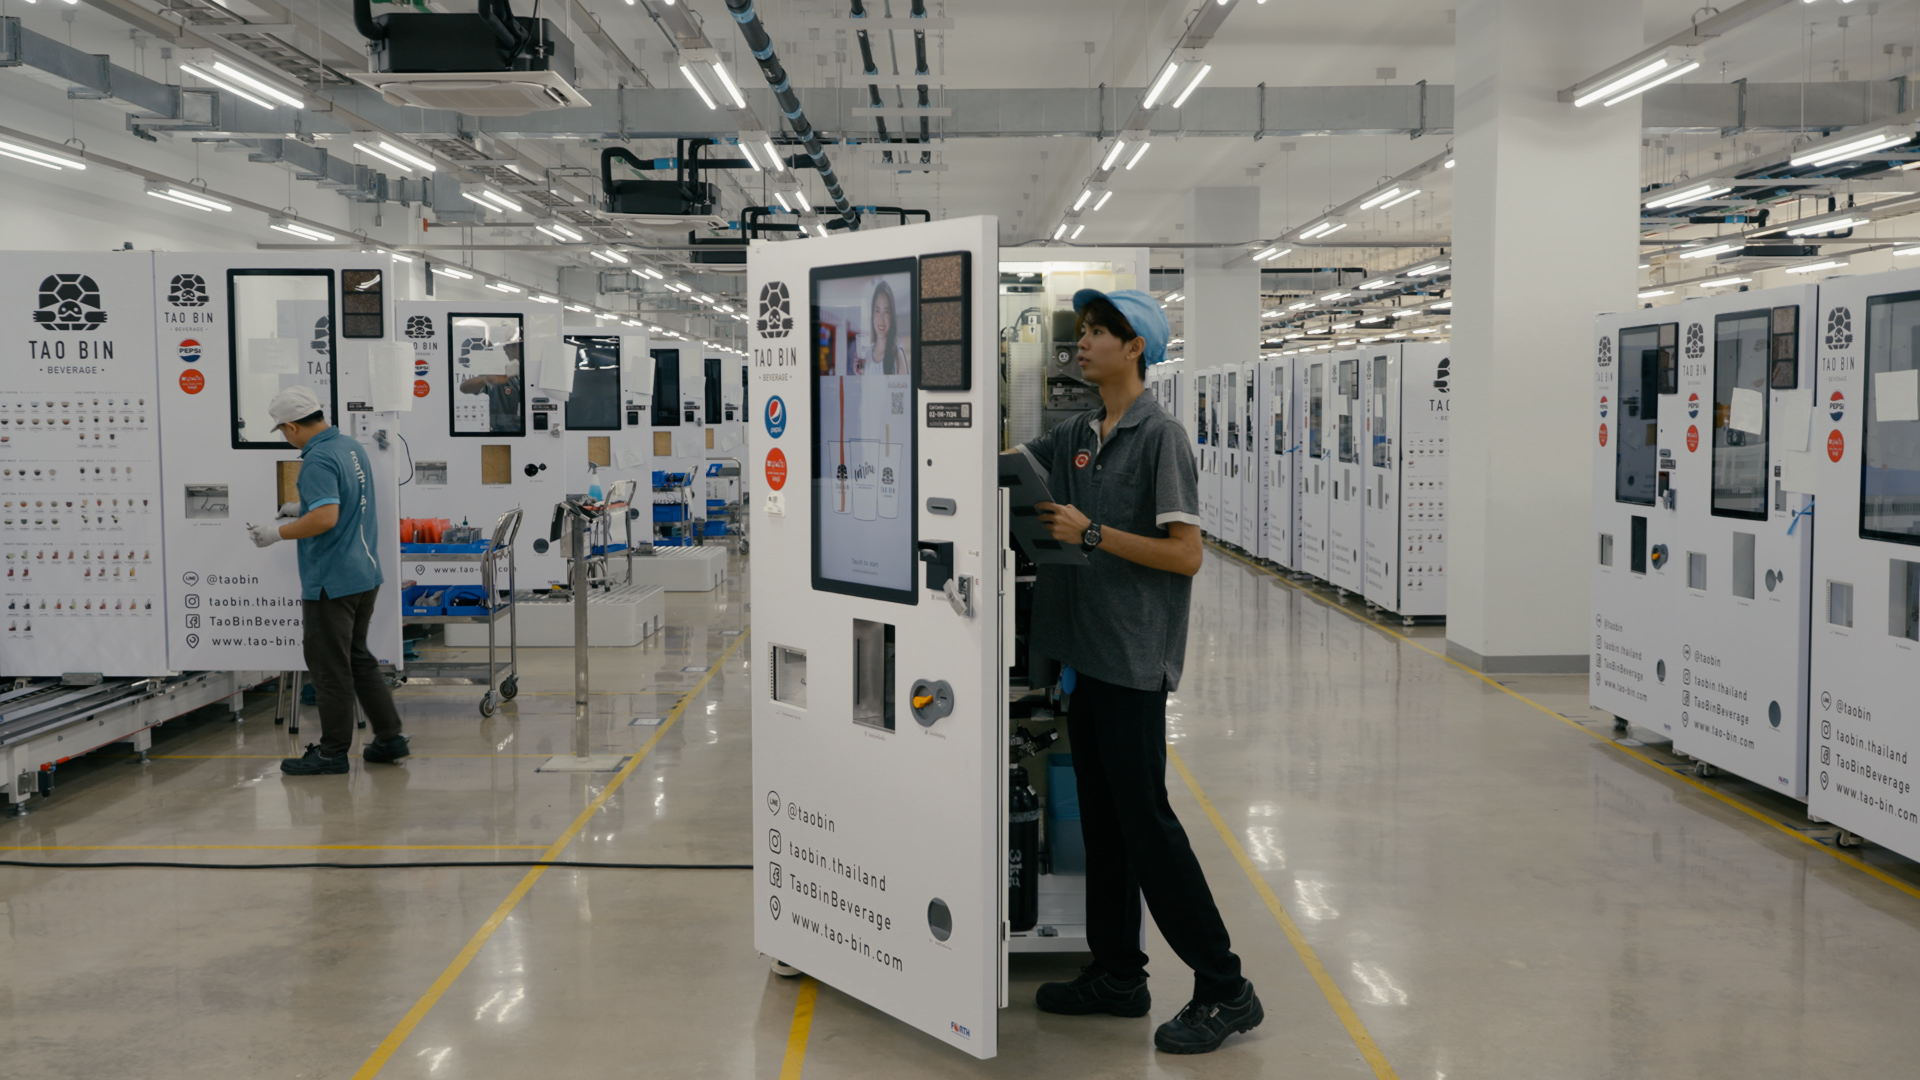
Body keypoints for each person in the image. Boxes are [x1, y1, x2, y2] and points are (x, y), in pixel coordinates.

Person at [1015, 289, 1263, 1055]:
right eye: (1081, 331)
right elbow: (1016, 469)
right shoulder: (1081, 432)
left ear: (1137, 349)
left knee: (1148, 827)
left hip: (1130, 659)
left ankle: (1226, 987)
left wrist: (1093, 535)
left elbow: (1186, 555)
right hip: (1084, 657)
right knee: (1104, 823)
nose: (1081, 344)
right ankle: (1119, 971)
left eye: (1098, 333)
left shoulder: (1163, 439)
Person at [247, 385, 410, 775]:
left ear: (290, 427)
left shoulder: (317, 459)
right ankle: (389, 738)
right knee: (358, 660)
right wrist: (302, 507)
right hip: (364, 573)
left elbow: (326, 518)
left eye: (283, 431)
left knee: (328, 669)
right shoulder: (350, 447)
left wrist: (275, 533)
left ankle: (332, 752)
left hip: (331, 581)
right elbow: (344, 499)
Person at [858, 279, 906, 375]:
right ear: (872, 314)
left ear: (891, 316)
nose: (881, 319)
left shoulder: (897, 354)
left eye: (886, 312)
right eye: (877, 311)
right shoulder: (865, 354)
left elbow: (904, 390)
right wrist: (858, 373)